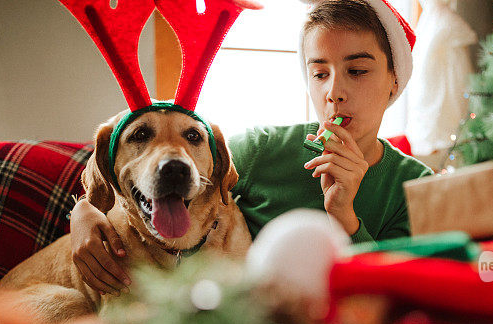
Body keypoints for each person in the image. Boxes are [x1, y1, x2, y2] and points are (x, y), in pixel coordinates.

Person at [69, 0, 433, 295]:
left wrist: (345, 215)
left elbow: (398, 291)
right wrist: (83, 214)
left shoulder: (417, 186)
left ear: (394, 80)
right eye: (320, 73)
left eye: (357, 71)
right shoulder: (264, 148)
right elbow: (161, 180)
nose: (334, 91)